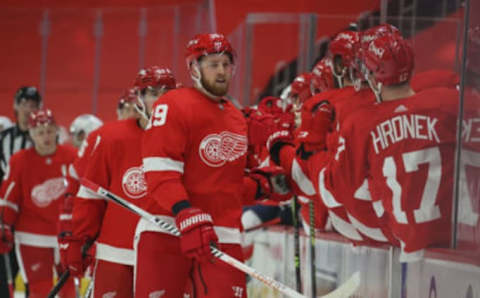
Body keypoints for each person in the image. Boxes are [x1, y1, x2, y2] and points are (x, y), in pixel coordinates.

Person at [136, 33, 249, 298]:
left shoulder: (237, 118)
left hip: (221, 235)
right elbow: (159, 170)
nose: (221, 71)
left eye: (226, 64)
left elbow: (229, 183)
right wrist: (183, 211)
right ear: (194, 69)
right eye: (213, 64)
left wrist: (266, 183)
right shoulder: (172, 105)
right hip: (168, 228)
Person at [61, 66, 176, 297]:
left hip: (166, 254)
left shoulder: (185, 139)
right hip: (114, 252)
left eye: (167, 93)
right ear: (140, 98)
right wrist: (78, 239)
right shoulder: (111, 137)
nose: (160, 100)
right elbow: (91, 195)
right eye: (153, 93)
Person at [0, 108, 76, 297]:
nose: (46, 137)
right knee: (39, 289)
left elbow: (83, 195)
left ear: (57, 130)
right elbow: (9, 198)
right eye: (40, 132)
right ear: (32, 134)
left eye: (49, 131)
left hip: (65, 234)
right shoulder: (19, 161)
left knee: (68, 288)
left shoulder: (72, 156)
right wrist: (4, 225)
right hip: (31, 236)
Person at [0, 86, 42, 298]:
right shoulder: (3, 138)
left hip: (32, 221)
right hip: (5, 217)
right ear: (16, 106)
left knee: (32, 277)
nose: (28, 109)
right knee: (4, 273)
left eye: (33, 105)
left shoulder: (43, 140)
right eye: (24, 104)